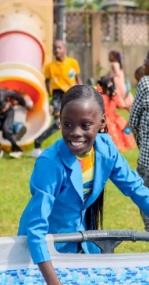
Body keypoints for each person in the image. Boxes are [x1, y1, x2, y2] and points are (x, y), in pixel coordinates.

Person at [18, 85, 149, 285]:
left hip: (81, 240)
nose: (75, 133)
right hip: (43, 253)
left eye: (85, 125)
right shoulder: (50, 163)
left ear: (102, 122)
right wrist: (53, 282)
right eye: (67, 124)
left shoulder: (106, 151)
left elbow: (136, 189)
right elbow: (36, 228)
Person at [30, 40, 82, 158]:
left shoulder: (73, 63)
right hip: (58, 96)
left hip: (72, 95)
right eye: (54, 48)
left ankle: (75, 148)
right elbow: (47, 82)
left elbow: (78, 79)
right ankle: (38, 142)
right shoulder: (50, 67)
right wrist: (51, 100)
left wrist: (84, 93)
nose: (57, 50)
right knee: (59, 123)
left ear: (65, 49)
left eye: (59, 48)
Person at [129, 49, 149, 233]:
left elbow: (133, 121)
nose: (144, 61)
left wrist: (142, 145)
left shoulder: (145, 83)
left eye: (147, 58)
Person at [97, 76, 136, 152]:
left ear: (103, 86)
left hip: (106, 119)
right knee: (121, 125)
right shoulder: (114, 96)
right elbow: (121, 106)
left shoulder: (101, 97)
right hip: (114, 118)